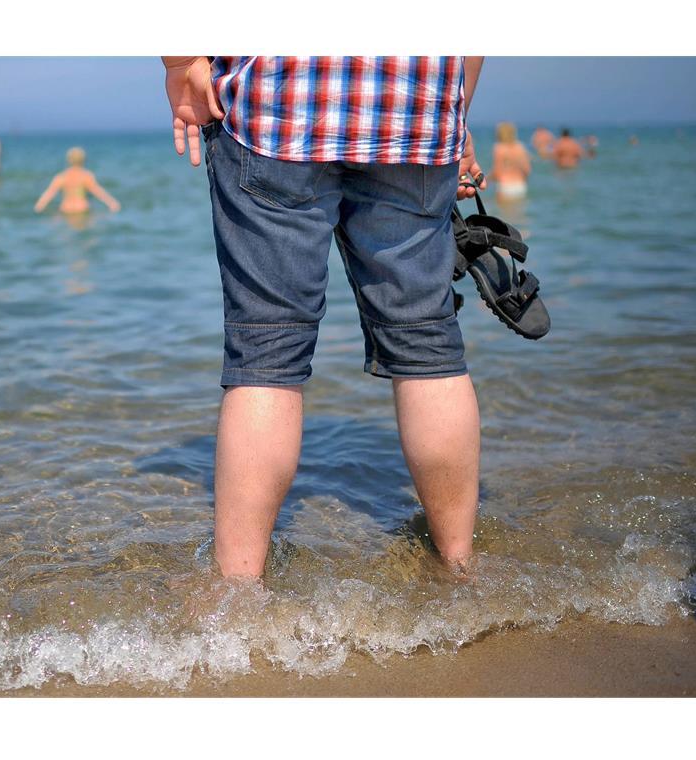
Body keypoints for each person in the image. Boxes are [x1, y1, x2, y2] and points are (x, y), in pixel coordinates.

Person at [163, 55, 488, 578]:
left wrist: (180, 63)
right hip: (415, 105)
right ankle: (459, 566)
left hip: (277, 101)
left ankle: (237, 595)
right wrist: (455, 110)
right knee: (427, 342)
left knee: (267, 350)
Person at [34, 147, 121, 215]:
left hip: (66, 210)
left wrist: (39, 206)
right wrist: (112, 203)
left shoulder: (61, 177)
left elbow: (49, 193)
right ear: (83, 160)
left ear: (68, 160)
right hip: (82, 209)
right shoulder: (86, 175)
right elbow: (98, 192)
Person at [490, 122, 530, 200]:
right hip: (520, 186)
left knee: (503, 212)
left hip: (505, 185)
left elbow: (497, 171)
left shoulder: (499, 148)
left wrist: (486, 180)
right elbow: (527, 170)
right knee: (518, 211)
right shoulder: (520, 147)